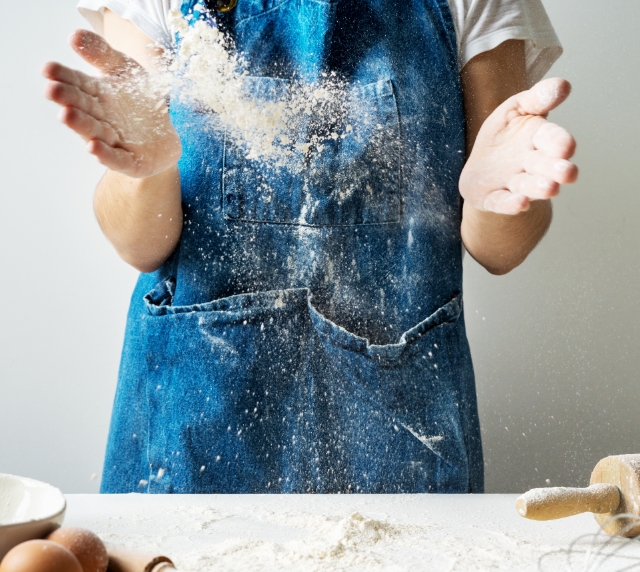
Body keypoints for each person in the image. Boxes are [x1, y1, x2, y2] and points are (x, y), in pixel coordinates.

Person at [43, 0, 577, 494]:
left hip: (399, 438)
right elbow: (140, 244)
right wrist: (151, 166)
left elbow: (500, 250)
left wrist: (495, 196)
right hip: (196, 431)